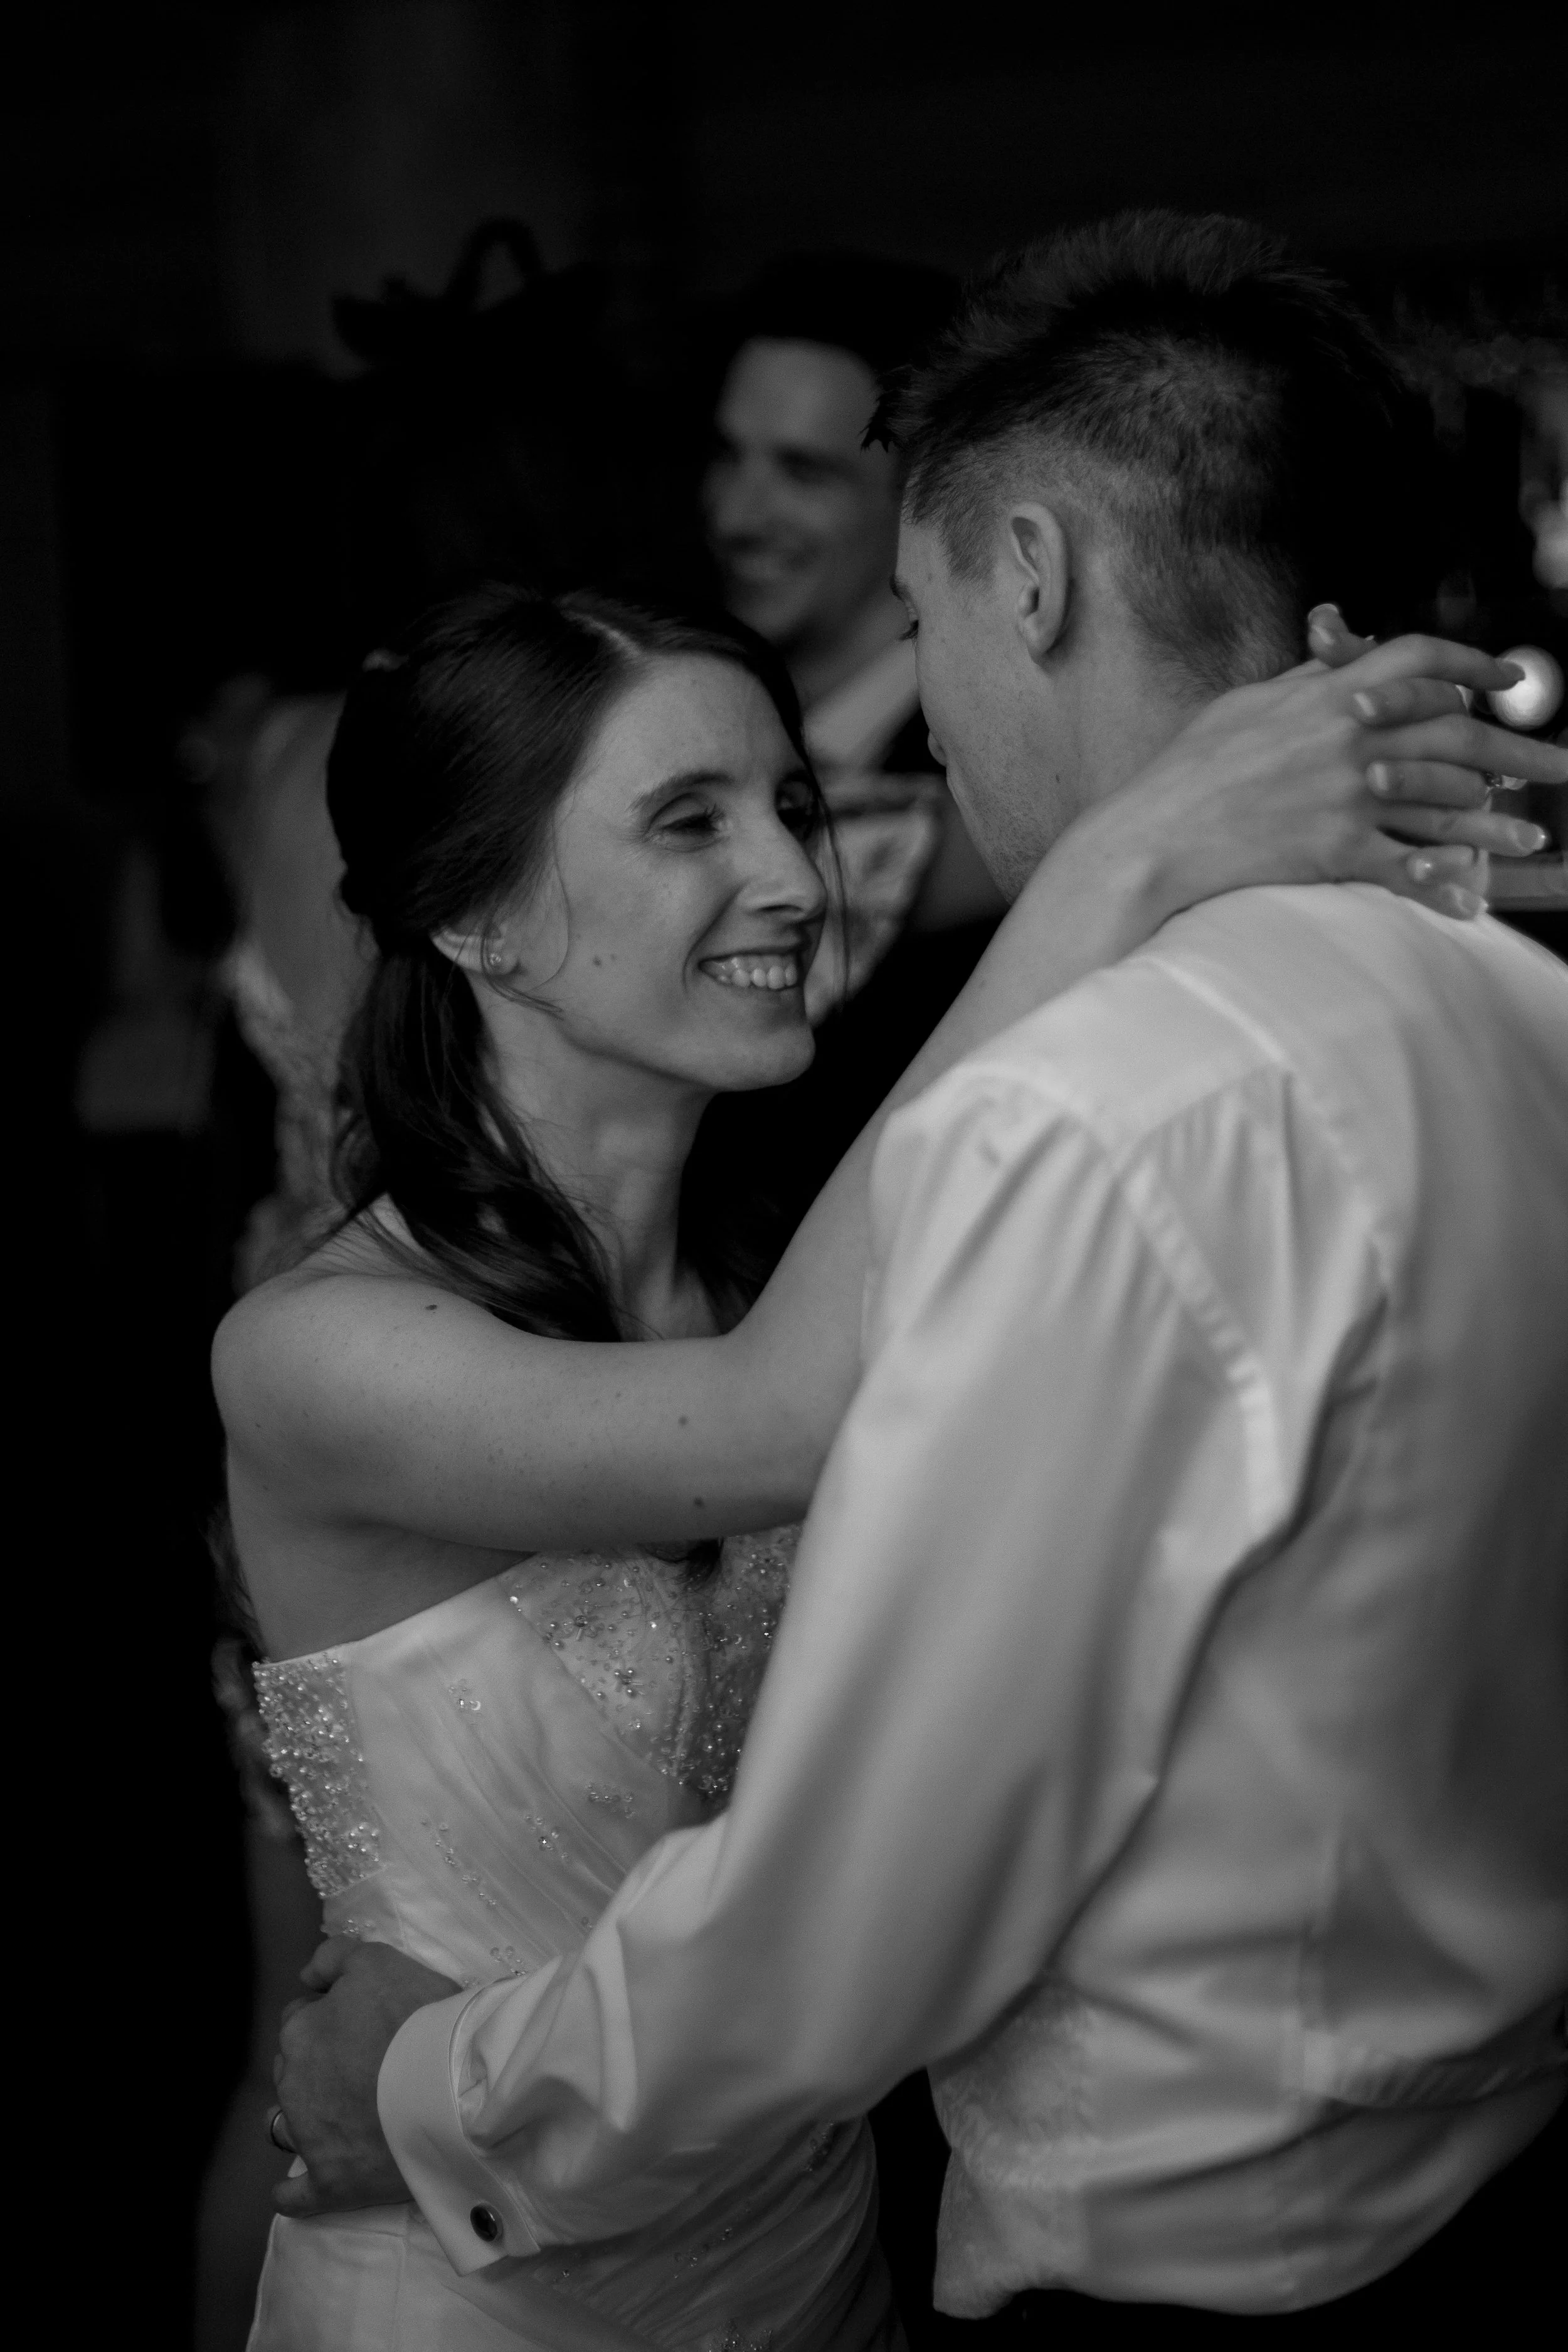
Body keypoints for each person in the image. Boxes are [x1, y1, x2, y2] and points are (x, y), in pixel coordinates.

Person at [268, 215, 1568, 2341]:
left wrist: (438, 2093)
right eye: (691, 820)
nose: (803, 867)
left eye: (796, 787)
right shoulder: (1513, 1009)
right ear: (473, 918)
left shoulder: (1037, 1140)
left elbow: (863, 1890)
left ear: (1028, 578)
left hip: (1057, 2247)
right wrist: (1153, 838)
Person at [701, 257, 1010, 1237]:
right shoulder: (689, 722)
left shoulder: (990, 776)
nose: (737, 516)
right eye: (729, 457)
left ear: (920, 493)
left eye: (803, 472)